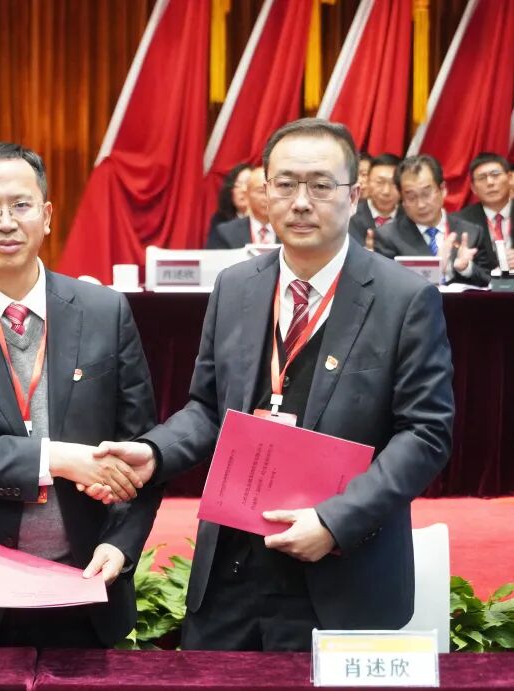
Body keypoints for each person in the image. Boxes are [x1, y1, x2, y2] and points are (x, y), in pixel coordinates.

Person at [97, 118, 454, 651]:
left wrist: (335, 521)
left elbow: (425, 434)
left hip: (338, 573)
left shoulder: (404, 299)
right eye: (285, 184)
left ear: (354, 195)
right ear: (264, 193)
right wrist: (154, 452)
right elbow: (208, 408)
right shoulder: (236, 286)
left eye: (321, 185)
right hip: (231, 574)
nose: (301, 202)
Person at [0, 142, 162, 649]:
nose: (6, 222)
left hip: (87, 583)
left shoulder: (105, 312)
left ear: (48, 216)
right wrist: (54, 458)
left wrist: (121, 545)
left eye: (21, 205)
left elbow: (142, 449)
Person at [375, 154, 488, 287]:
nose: (421, 204)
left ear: (443, 190)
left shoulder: (472, 232)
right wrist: (434, 270)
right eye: (411, 197)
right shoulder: (388, 237)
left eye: (426, 194)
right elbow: (387, 285)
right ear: (402, 200)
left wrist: (466, 268)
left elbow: (489, 282)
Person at [208, 166, 274, 249]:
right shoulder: (225, 232)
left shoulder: (287, 229)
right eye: (261, 191)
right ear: (247, 194)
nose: (267, 197)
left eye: (271, 191)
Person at [348, 152, 401, 249]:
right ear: (367, 181)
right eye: (380, 182)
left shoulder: (411, 218)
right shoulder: (350, 216)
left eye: (394, 183)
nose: (386, 191)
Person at [205, 163, 251, 248]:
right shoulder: (220, 220)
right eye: (238, 185)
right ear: (230, 191)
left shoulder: (270, 219)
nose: (243, 189)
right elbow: (213, 252)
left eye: (248, 184)